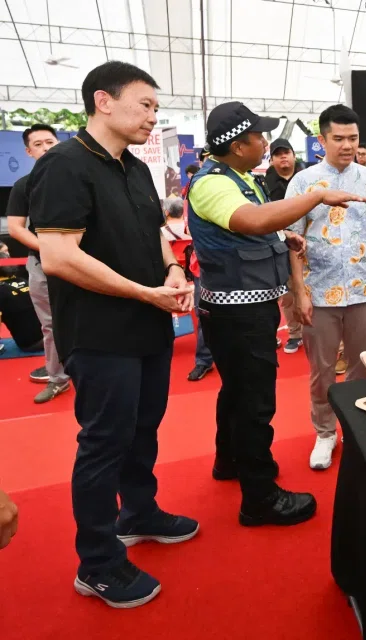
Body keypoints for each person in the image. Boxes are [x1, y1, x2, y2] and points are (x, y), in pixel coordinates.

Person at [30, 61, 199, 609]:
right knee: (103, 442)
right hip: (99, 333)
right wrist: (143, 291)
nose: (153, 115)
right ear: (104, 101)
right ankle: (97, 562)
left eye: (155, 107)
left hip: (148, 322)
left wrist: (172, 272)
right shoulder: (64, 165)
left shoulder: (136, 168)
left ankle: (139, 512)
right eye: (145, 104)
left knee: (143, 427)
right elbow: (57, 256)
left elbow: (152, 236)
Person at [188, 100, 366, 523]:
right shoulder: (214, 183)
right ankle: (260, 497)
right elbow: (250, 221)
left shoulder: (237, 177)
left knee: (235, 392)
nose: (266, 143)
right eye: (258, 136)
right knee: (254, 402)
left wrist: (282, 239)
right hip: (238, 312)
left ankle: (229, 461)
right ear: (237, 145)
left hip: (245, 307)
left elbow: (254, 229)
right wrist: (317, 196)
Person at [286, 104, 366, 470]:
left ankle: (356, 426)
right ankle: (324, 432)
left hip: (365, 290)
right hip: (319, 292)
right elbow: (292, 238)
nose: (347, 145)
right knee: (321, 368)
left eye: (353, 138)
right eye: (339, 138)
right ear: (322, 140)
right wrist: (300, 291)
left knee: (363, 365)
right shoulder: (303, 183)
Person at [6, 123, 72, 402]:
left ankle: (96, 371)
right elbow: (16, 228)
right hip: (42, 265)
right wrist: (50, 249)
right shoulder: (24, 186)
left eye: (50, 142)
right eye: (38, 144)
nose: (45, 148)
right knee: (50, 325)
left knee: (94, 317)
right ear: (28, 152)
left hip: (85, 263)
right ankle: (58, 378)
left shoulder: (78, 179)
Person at [264, 138, 306, 354]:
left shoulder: (308, 177)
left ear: (293, 154)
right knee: (288, 294)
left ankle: (314, 332)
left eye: (286, 152)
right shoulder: (264, 184)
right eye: (277, 154)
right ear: (271, 160)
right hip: (281, 246)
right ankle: (294, 333)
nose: (283, 157)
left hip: (310, 243)